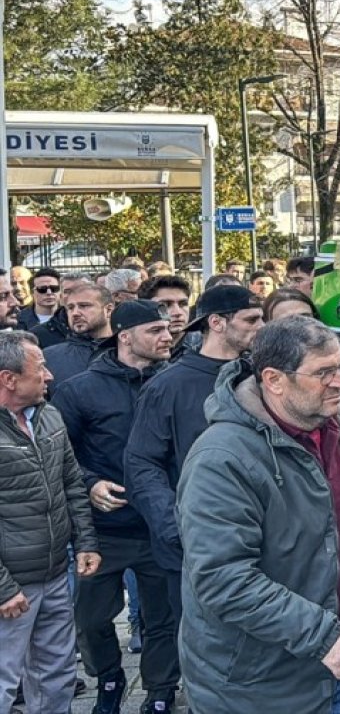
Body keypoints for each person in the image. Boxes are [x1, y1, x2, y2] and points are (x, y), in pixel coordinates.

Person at [177, 316, 340, 711]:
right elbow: (222, 578)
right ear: (274, 380)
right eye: (324, 373)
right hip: (262, 686)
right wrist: (325, 636)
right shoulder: (221, 457)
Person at [53, 300, 179, 714]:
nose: (167, 336)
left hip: (162, 524)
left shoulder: (176, 382)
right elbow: (60, 454)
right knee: (91, 621)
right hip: (104, 529)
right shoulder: (80, 389)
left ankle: (160, 691)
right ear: (125, 336)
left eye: (167, 328)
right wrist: (89, 484)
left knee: (164, 619)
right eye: (155, 330)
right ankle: (108, 677)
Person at [125, 285, 265, 616]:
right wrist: (176, 528)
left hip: (261, 539)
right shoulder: (168, 385)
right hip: (194, 549)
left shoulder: (262, 378)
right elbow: (142, 462)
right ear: (217, 323)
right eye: (252, 319)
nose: (261, 327)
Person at [0, 331, 101, 713]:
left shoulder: (48, 415)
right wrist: (3, 588)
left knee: (55, 674)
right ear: (9, 379)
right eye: (39, 367)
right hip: (10, 589)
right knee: (3, 681)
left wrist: (87, 542)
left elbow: (71, 482)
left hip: (56, 573)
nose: (49, 376)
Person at [43, 283, 113, 393]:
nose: (75, 313)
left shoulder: (127, 352)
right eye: (70, 308)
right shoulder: (48, 357)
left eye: (84, 306)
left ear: (108, 310)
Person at [138, 275, 195, 358]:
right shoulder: (133, 349)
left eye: (183, 304)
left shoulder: (205, 348)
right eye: (165, 305)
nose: (177, 312)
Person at [17, 267, 61, 331]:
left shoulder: (70, 316)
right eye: (42, 289)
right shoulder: (18, 320)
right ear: (32, 292)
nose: (49, 292)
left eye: (54, 288)